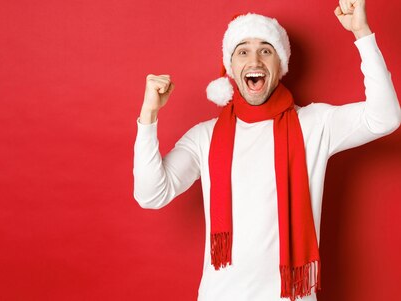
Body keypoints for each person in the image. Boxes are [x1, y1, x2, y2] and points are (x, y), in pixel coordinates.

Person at [132, 1, 401, 300]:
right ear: (231, 68)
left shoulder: (313, 124)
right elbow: (151, 194)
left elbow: (385, 117)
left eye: (266, 50)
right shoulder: (204, 137)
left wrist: (362, 33)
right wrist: (149, 116)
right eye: (243, 51)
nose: (255, 60)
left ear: (280, 64)